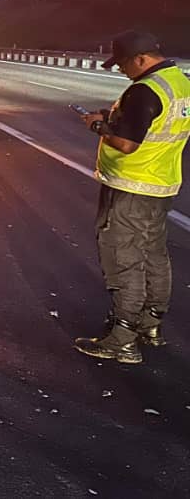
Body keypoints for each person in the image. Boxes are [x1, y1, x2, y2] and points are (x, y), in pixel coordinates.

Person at [73, 31, 190, 364]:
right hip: (162, 184)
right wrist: (114, 120)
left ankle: (122, 341)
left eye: (122, 63)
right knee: (154, 255)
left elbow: (127, 143)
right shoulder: (179, 82)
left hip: (131, 187)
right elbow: (154, 127)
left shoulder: (144, 90)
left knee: (124, 259)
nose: (121, 70)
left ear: (140, 59)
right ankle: (150, 326)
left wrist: (97, 125)